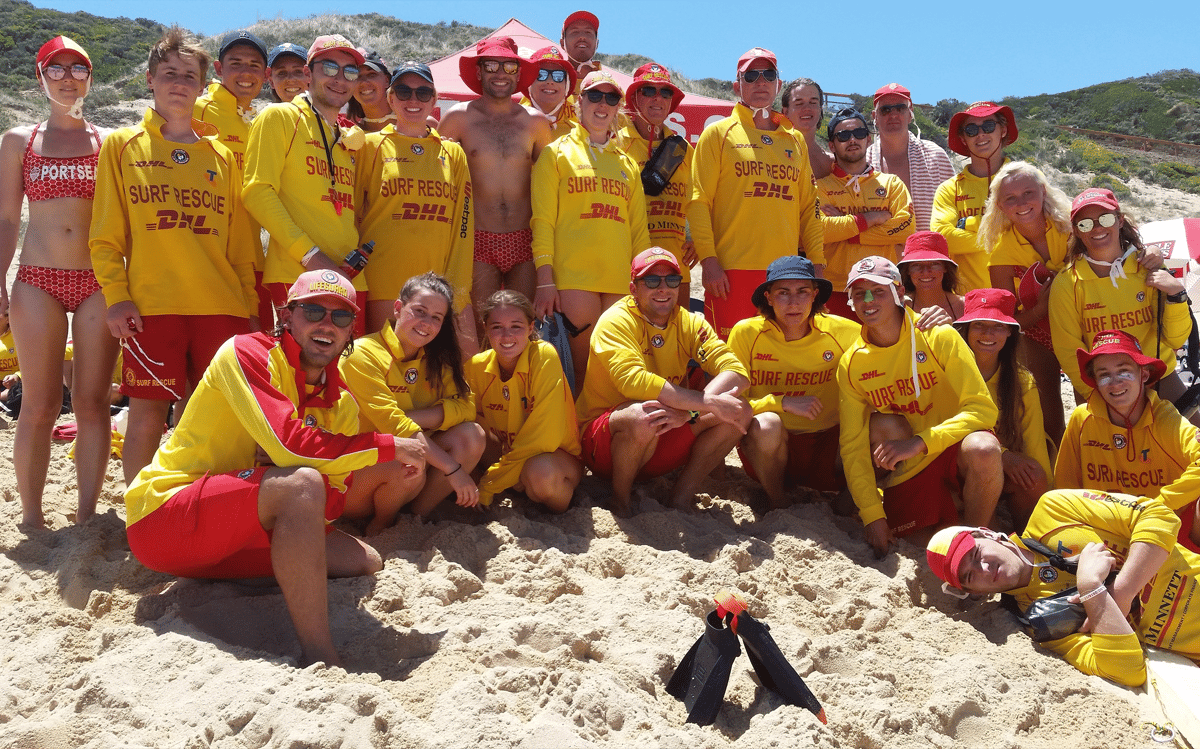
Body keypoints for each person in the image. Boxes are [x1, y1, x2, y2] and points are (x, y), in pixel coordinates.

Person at [123, 270, 425, 668]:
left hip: (227, 529)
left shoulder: (343, 404)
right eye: (313, 311)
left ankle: (221, 577)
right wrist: (386, 446)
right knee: (300, 483)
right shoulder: (246, 351)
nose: (326, 324)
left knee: (365, 560)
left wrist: (287, 467)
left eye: (340, 317)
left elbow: (330, 506)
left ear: (353, 329)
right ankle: (321, 655)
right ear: (287, 316)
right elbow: (290, 446)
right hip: (161, 519)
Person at [90, 27, 257, 486]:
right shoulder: (121, 145)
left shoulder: (223, 157)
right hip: (152, 306)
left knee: (209, 418)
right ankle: (141, 510)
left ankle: (194, 503)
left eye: (189, 75)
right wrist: (117, 297)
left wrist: (247, 308)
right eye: (169, 74)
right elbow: (106, 236)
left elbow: (240, 247)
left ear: (203, 86)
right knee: (146, 416)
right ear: (150, 79)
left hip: (221, 309)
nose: (179, 83)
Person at [0, 36, 118, 527]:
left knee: (92, 404)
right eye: (57, 68)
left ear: (90, 77)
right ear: (40, 77)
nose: (68, 76)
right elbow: (7, 219)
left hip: (98, 280)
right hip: (36, 279)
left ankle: (86, 517)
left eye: (78, 68)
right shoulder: (17, 141)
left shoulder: (111, 141)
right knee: (40, 403)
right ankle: (30, 517)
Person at [926, 488, 1200, 688]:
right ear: (974, 592)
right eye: (971, 577)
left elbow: (1159, 515)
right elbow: (1127, 671)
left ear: (987, 534)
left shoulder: (1053, 509)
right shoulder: (1037, 620)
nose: (984, 569)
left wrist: (1122, 591)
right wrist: (1091, 589)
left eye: (977, 554)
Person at [837, 256, 1002, 557]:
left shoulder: (937, 333)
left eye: (878, 291)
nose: (868, 301)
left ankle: (977, 543)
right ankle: (963, 521)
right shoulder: (851, 363)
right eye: (859, 293)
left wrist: (921, 443)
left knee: (984, 447)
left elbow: (983, 409)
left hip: (951, 448)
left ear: (900, 294)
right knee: (882, 427)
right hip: (911, 465)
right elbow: (851, 445)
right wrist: (872, 514)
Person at [576, 247, 753, 516]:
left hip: (664, 429)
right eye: (651, 280)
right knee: (643, 414)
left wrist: (690, 411)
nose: (663, 288)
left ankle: (680, 497)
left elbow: (737, 371)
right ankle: (620, 501)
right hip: (605, 444)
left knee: (739, 410)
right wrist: (704, 402)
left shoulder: (689, 322)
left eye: (671, 280)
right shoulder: (616, 320)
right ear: (633, 288)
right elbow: (632, 382)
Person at [690, 47, 824, 338]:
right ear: (738, 86)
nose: (760, 81)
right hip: (730, 272)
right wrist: (709, 262)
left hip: (785, 275)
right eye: (751, 75)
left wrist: (817, 263)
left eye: (768, 74)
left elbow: (808, 208)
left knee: (779, 360)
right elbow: (699, 201)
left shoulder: (795, 139)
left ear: (778, 84)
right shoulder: (718, 133)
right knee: (727, 360)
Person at [531, 70, 650, 393]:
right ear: (579, 101)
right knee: (580, 374)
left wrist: (645, 283)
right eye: (595, 96)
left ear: (618, 107)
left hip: (620, 284)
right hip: (573, 280)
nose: (602, 104)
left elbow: (639, 232)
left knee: (613, 375)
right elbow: (542, 221)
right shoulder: (555, 154)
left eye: (611, 98)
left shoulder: (626, 164)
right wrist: (545, 279)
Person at [243, 34, 368, 335]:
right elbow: (257, 192)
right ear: (308, 74)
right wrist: (312, 257)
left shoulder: (346, 135)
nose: (340, 79)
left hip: (351, 275)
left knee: (345, 375)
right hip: (298, 271)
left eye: (350, 72)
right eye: (329, 68)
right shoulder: (280, 116)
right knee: (300, 374)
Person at [340, 273, 485, 525]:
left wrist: (417, 416)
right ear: (398, 308)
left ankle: (414, 519)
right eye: (419, 311)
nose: (426, 323)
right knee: (406, 456)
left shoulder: (435, 357)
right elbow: (394, 428)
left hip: (407, 472)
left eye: (436, 318)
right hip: (354, 479)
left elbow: (468, 405)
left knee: (472, 436)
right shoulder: (363, 353)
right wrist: (453, 469)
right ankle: (380, 527)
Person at [438, 37, 554, 333]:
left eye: (508, 65)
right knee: (478, 327)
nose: (500, 72)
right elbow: (438, 182)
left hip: (525, 240)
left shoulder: (536, 123)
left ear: (518, 73)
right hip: (476, 238)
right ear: (478, 72)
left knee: (522, 326)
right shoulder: (458, 119)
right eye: (491, 65)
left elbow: (551, 186)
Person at [354, 61, 475, 345]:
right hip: (384, 283)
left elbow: (463, 224)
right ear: (391, 98)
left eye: (423, 92)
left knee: (442, 374)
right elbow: (353, 216)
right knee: (385, 365)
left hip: (439, 289)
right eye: (404, 91)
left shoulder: (453, 153)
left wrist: (457, 290)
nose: (413, 99)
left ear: (434, 100)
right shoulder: (369, 147)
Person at [730, 256, 859, 509]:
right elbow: (730, 405)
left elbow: (894, 342)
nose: (794, 302)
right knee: (767, 424)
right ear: (768, 297)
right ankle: (777, 501)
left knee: (885, 428)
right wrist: (782, 403)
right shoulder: (746, 333)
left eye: (802, 292)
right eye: (783, 293)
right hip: (771, 449)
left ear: (815, 295)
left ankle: (848, 503)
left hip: (829, 443)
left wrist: (918, 317)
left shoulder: (845, 331)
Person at [1055, 329, 1200, 552]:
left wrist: (1156, 506)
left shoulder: (1165, 418)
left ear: (1143, 374)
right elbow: (1065, 487)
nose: (1114, 383)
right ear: (1094, 380)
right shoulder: (1081, 418)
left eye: (1123, 371)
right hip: (1105, 533)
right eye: (1104, 374)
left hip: (1165, 528)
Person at [1049, 188, 1190, 404]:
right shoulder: (1067, 283)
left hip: (1157, 376)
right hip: (1103, 387)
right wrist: (1098, 395)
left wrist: (1177, 295)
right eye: (1085, 223)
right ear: (1076, 231)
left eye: (1105, 219)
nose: (1097, 228)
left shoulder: (1148, 266)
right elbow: (1069, 352)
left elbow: (1175, 339)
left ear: (1120, 221)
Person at [978, 161, 1073, 443]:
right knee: (1048, 416)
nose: (1021, 203)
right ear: (1000, 206)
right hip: (1035, 333)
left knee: (1091, 403)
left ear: (1043, 192)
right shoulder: (1001, 254)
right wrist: (1041, 309)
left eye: (1028, 193)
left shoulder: (1072, 229)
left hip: (1082, 325)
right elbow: (1008, 322)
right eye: (1010, 198)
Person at [468, 290, 582, 512]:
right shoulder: (475, 366)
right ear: (485, 328)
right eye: (497, 327)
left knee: (540, 474)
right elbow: (466, 415)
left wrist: (489, 484)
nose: (507, 335)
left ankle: (557, 512)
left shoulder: (543, 355)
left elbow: (544, 439)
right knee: (466, 435)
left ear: (531, 328)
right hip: (509, 453)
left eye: (516, 326)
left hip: (554, 457)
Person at [954, 288, 1052, 530]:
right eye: (979, 325)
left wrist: (1044, 491)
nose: (988, 333)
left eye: (998, 325)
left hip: (1000, 473)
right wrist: (1003, 455)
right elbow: (943, 432)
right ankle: (980, 528)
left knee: (1034, 474)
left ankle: (1029, 537)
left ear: (1010, 331)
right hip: (955, 469)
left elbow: (1034, 442)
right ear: (965, 329)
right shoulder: (948, 371)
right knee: (984, 452)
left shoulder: (1022, 381)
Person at [194, 30, 271, 326]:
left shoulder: (257, 121)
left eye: (253, 65)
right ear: (217, 68)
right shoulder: (196, 110)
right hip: (207, 260)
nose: (245, 72)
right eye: (235, 63)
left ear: (265, 75)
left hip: (251, 260)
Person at [816, 107, 914, 318]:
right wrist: (872, 218)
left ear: (869, 139)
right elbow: (819, 230)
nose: (852, 139)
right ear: (832, 145)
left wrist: (849, 231)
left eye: (859, 133)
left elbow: (905, 229)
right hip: (836, 288)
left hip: (883, 287)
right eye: (843, 136)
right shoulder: (820, 187)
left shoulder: (892, 183)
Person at [618, 62, 694, 308]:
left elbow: (700, 201)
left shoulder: (684, 150)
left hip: (676, 267)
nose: (657, 98)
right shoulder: (616, 143)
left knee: (677, 341)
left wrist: (699, 241)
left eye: (665, 92)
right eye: (648, 90)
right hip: (628, 267)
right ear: (635, 98)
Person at [931, 102, 1018, 293]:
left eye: (988, 126)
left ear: (1002, 130)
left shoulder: (1026, 179)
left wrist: (967, 225)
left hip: (1024, 300)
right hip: (970, 304)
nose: (981, 134)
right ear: (963, 138)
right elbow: (942, 239)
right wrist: (1003, 229)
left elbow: (1037, 230)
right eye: (971, 130)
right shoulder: (949, 189)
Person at [866, 83, 954, 235]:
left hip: (928, 254)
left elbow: (955, 207)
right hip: (878, 254)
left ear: (910, 112)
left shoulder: (935, 156)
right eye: (885, 110)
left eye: (900, 108)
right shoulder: (863, 161)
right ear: (875, 116)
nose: (893, 115)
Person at [898, 231, 963, 321]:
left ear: (945, 268)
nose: (925, 271)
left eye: (934, 264)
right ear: (908, 270)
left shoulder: (965, 306)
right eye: (916, 265)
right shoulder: (898, 308)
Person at [780, 77, 833, 179]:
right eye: (799, 103)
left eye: (813, 103)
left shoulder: (831, 163)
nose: (807, 108)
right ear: (785, 112)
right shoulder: (773, 153)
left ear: (820, 109)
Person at [521, 45, 577, 141]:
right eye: (541, 74)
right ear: (529, 82)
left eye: (558, 76)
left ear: (566, 85)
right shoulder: (511, 122)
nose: (550, 81)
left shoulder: (579, 130)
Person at [347, 49, 393, 133]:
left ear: (387, 80)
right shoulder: (349, 135)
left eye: (372, 75)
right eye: (356, 76)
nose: (364, 82)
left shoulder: (416, 123)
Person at [560, 10, 601, 83]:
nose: (582, 37)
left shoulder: (611, 88)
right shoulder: (550, 83)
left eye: (588, 32)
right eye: (575, 32)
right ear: (562, 43)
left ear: (597, 43)